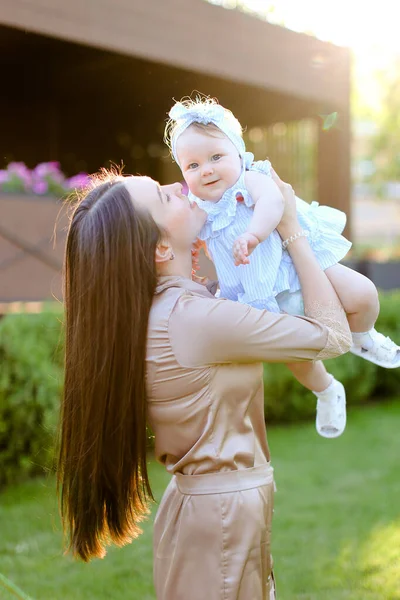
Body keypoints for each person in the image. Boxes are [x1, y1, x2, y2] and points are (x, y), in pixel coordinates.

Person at [58, 168, 351, 599]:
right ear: (160, 247)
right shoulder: (193, 320)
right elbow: (332, 335)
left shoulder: (175, 309)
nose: (180, 187)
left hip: (212, 511)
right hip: (221, 517)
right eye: (165, 197)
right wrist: (291, 228)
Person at [164, 96, 400, 439]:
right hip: (257, 289)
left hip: (294, 260)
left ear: (238, 152)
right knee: (297, 356)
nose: (207, 170)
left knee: (363, 293)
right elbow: (187, 235)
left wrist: (254, 234)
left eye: (216, 157)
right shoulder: (200, 207)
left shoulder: (252, 178)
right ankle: (327, 391)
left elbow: (275, 202)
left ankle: (364, 336)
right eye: (193, 166)